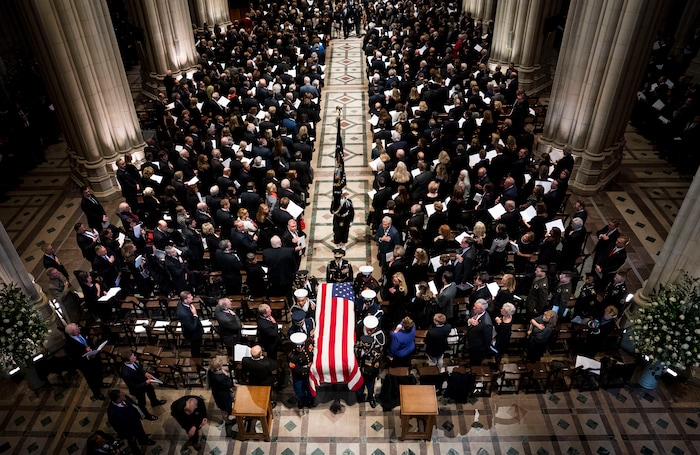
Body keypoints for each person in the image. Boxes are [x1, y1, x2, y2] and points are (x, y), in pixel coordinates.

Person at [119, 351, 167, 421]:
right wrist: (145, 383)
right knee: (142, 403)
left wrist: (145, 373)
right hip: (138, 389)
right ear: (127, 361)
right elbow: (133, 386)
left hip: (144, 381)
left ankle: (154, 402)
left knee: (151, 391)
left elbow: (138, 369)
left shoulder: (133, 362)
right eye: (133, 357)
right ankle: (146, 415)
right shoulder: (125, 373)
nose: (135, 357)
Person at [107, 390, 156, 454]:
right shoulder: (113, 413)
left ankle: (143, 440)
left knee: (140, 431)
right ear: (118, 399)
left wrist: (140, 414)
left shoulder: (124, 397)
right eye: (122, 395)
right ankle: (136, 452)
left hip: (135, 420)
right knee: (132, 442)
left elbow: (133, 404)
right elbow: (119, 427)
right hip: (129, 429)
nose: (124, 394)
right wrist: (129, 435)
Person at [64, 323, 104, 400]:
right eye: (77, 330)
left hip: (95, 358)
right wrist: (87, 355)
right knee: (92, 379)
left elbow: (89, 342)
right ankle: (97, 393)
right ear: (72, 333)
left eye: (78, 328)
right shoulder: (69, 345)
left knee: (99, 372)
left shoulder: (82, 332)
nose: (79, 329)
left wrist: (93, 350)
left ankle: (101, 383)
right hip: (86, 365)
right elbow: (76, 359)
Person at [355, 315, 385, 408]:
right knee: (360, 383)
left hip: (371, 366)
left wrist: (368, 351)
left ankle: (371, 398)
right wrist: (360, 351)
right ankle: (359, 396)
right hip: (360, 364)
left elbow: (379, 351)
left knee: (370, 384)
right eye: (368, 329)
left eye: (371, 330)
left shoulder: (379, 335)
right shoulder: (359, 327)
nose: (369, 331)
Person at [288, 332, 314, 408]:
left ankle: (310, 400)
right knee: (299, 392)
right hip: (298, 377)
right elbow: (296, 369)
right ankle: (301, 401)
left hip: (309, 375)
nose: (300, 349)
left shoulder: (308, 342)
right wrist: (308, 368)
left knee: (310, 389)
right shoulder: (291, 356)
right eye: (297, 348)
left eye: (302, 346)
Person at [176, 291, 205, 358]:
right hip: (193, 334)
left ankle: (199, 354)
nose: (192, 297)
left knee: (197, 346)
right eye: (190, 297)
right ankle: (196, 359)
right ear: (185, 300)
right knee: (195, 347)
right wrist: (195, 314)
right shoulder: (184, 314)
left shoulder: (181, 302)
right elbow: (192, 327)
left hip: (194, 327)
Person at [466, 299, 493, 366]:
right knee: (472, 357)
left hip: (478, 347)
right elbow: (468, 316)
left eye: (476, 307)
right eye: (474, 306)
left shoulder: (486, 323)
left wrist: (483, 350)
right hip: (471, 342)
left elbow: (487, 339)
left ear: (482, 310)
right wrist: (470, 321)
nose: (473, 308)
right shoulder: (475, 311)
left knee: (476, 363)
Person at [207, 357, 234, 422]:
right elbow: (229, 384)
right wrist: (226, 375)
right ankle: (227, 421)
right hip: (223, 394)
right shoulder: (220, 378)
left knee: (224, 407)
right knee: (225, 408)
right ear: (218, 367)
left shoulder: (210, 371)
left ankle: (228, 414)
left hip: (216, 392)